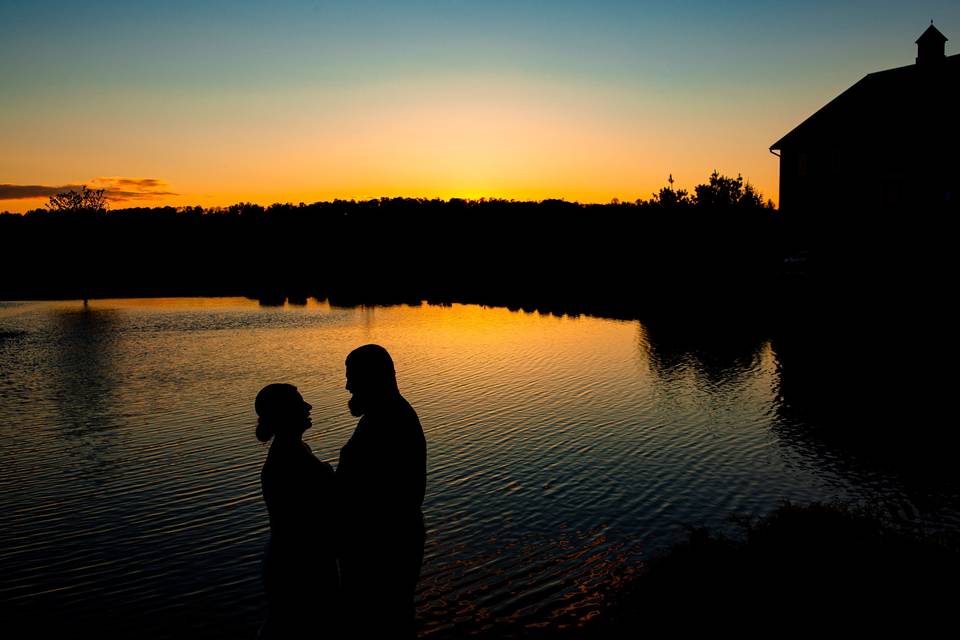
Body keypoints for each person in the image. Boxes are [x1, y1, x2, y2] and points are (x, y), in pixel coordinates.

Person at [336, 345, 427, 637]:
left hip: (382, 553)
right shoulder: (382, 416)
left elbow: (376, 496)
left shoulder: (390, 421)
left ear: (373, 378)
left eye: (352, 377)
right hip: (384, 546)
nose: (347, 385)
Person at [255, 383, 339, 639]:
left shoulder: (296, 451)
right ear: (285, 414)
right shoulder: (287, 460)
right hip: (297, 569)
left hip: (301, 561)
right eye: (300, 404)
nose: (308, 407)